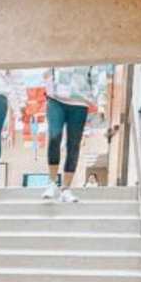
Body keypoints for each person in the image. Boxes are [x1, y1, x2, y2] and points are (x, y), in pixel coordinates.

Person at [41, 66, 105, 203]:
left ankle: (66, 189)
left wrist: (101, 104)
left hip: (79, 103)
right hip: (55, 100)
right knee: (54, 137)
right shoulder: (58, 48)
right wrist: (49, 87)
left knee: (73, 145)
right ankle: (51, 183)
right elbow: (46, 70)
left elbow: (98, 79)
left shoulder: (90, 54)